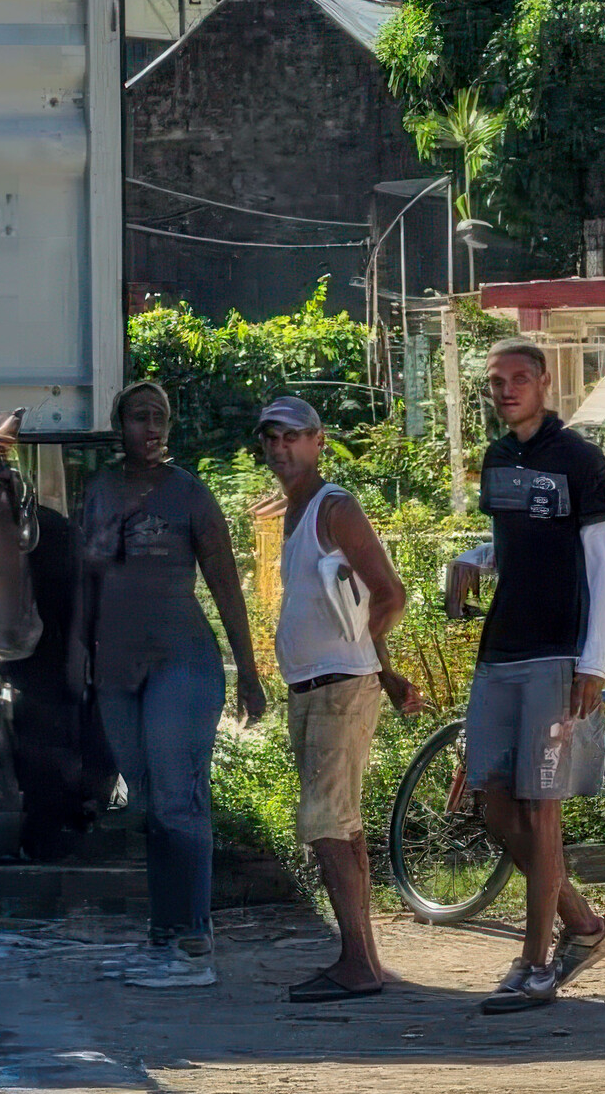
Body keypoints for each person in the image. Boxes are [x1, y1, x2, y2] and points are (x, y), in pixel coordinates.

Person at [444, 340, 605, 1012]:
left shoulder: (577, 459)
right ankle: (582, 926)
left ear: (544, 383)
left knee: (540, 809)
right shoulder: (496, 460)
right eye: (495, 381)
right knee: (490, 802)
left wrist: (591, 662)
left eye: (519, 377)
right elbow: (519, 543)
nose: (506, 389)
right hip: (499, 653)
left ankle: (535, 963)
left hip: (556, 654)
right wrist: (472, 558)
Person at [83, 382, 268, 990]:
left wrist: (248, 670)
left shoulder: (190, 495)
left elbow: (225, 585)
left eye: (160, 417)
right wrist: (72, 656)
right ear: (120, 426)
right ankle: (164, 935)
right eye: (140, 417)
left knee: (177, 800)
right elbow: (85, 584)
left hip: (181, 665)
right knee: (147, 806)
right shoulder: (102, 491)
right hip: (115, 669)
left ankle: (192, 941)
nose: (152, 428)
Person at [260, 396, 423, 1002]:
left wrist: (366, 664)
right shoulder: (294, 510)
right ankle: (364, 959)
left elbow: (389, 595)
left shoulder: (335, 506)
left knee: (327, 825)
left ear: (319, 440)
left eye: (293, 437)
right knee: (341, 825)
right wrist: (385, 671)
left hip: (336, 689)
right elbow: (350, 608)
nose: (281, 448)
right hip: (319, 687)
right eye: (272, 438)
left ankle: (356, 962)